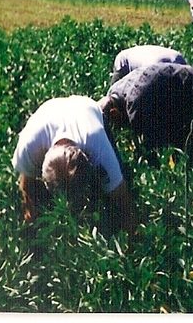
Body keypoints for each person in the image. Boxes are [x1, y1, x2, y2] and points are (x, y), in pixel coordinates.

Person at [12, 95, 137, 233]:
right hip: (48, 111)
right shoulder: (29, 149)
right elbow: (26, 183)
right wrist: (31, 216)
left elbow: (122, 198)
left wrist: (132, 236)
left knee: (115, 181)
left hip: (84, 106)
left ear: (88, 159)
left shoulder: (97, 144)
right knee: (35, 198)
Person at [99, 62, 193, 158]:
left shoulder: (134, 107)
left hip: (190, 87)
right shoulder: (114, 90)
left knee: (190, 145)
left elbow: (152, 148)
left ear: (114, 113)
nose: (118, 129)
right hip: (183, 76)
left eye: (115, 124)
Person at [109, 44, 188, 84]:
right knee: (113, 100)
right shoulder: (152, 71)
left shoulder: (182, 65)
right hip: (124, 62)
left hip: (151, 57)